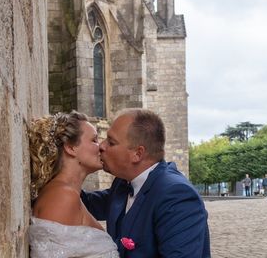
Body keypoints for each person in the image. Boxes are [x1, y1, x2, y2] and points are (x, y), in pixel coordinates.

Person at [81, 108, 211, 257]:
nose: (101, 146)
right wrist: (76, 168)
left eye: (111, 142)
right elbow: (85, 203)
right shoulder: (123, 183)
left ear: (138, 153)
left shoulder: (177, 196)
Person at [28, 111, 119, 257]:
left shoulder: (69, 194)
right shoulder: (62, 197)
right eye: (94, 140)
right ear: (70, 147)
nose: (101, 146)